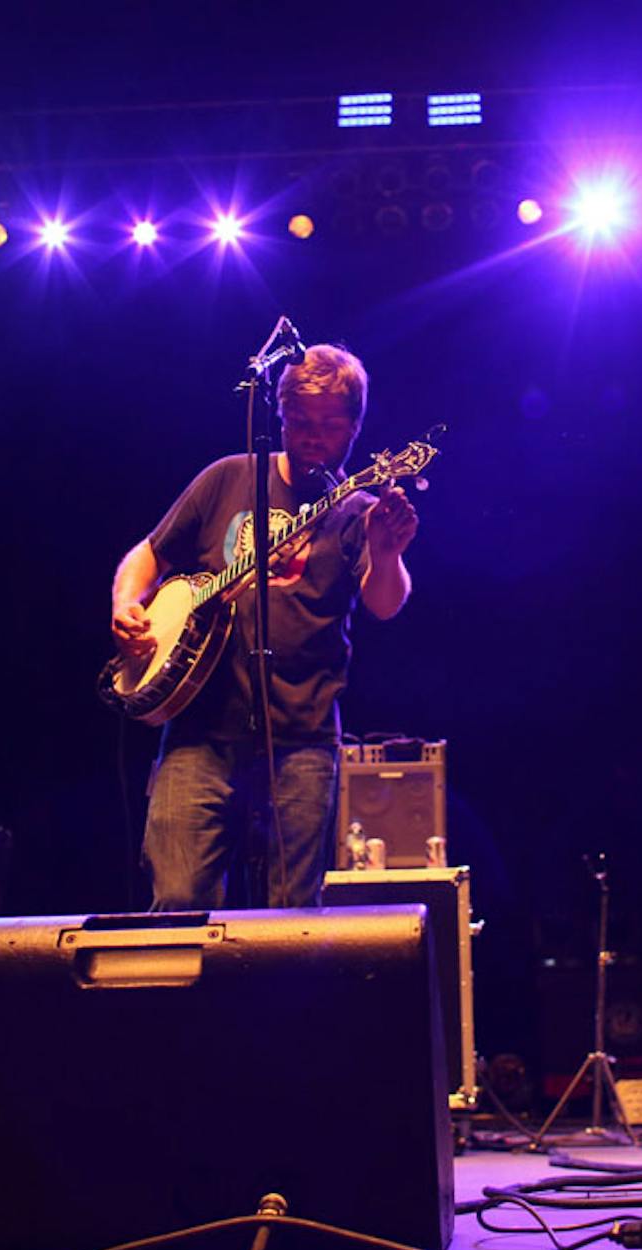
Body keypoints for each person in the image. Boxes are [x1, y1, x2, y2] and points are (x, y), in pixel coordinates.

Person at [110, 344, 417, 910]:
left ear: (354, 427)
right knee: (176, 901)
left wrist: (386, 552)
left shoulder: (356, 512)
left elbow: (385, 603)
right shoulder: (228, 478)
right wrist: (128, 603)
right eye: (300, 421)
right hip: (199, 734)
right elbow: (149, 553)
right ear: (280, 415)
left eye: (329, 425)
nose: (313, 436)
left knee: (287, 918)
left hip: (301, 741)